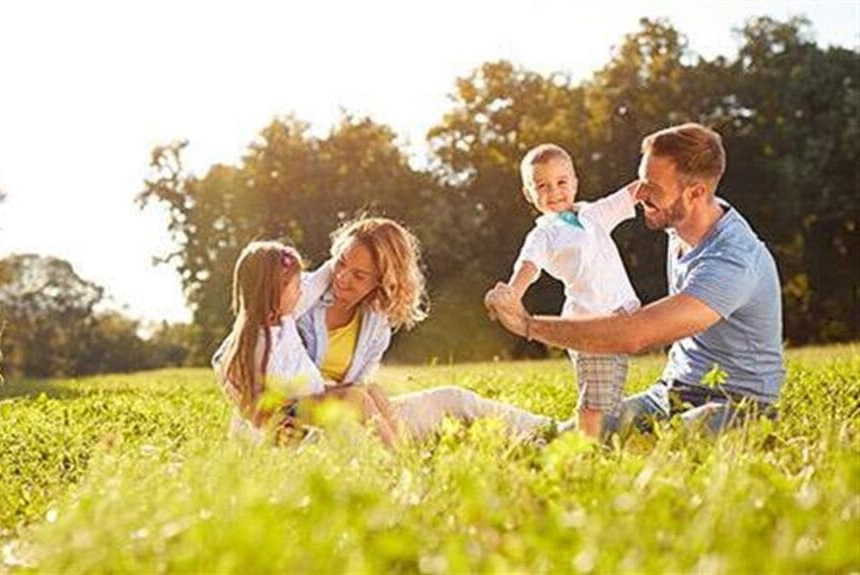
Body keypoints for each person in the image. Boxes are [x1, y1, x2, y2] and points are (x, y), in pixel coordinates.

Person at [486, 123, 785, 434]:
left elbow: (633, 335)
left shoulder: (733, 260)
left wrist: (528, 325)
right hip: (669, 394)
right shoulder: (680, 222)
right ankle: (464, 409)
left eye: (652, 189)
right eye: (642, 183)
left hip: (736, 404)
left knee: (668, 442)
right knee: (577, 436)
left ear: (695, 193)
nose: (641, 196)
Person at [298, 217, 551, 442]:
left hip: (349, 414)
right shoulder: (299, 297)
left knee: (452, 399)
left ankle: (549, 431)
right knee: (353, 423)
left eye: (359, 275)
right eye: (341, 263)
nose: (342, 277)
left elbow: (360, 389)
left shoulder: (376, 323)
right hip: (299, 419)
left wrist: (383, 422)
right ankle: (398, 459)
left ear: (382, 282)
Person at [488, 143, 640, 439]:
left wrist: (664, 178)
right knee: (595, 400)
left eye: (561, 182)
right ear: (529, 194)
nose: (554, 192)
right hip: (588, 321)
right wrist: (513, 294)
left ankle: (591, 440)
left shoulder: (593, 213)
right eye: (542, 186)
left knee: (609, 390)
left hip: (621, 316)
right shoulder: (543, 234)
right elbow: (528, 267)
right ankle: (585, 448)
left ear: (575, 182)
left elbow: (631, 194)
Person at [212, 240, 402, 447]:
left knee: (372, 391)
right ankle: (393, 454)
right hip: (288, 411)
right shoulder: (259, 341)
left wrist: (352, 249)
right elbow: (267, 396)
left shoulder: (285, 319)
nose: (302, 291)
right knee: (357, 398)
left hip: (308, 397)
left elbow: (318, 281)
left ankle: (403, 447)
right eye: (297, 286)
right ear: (275, 291)